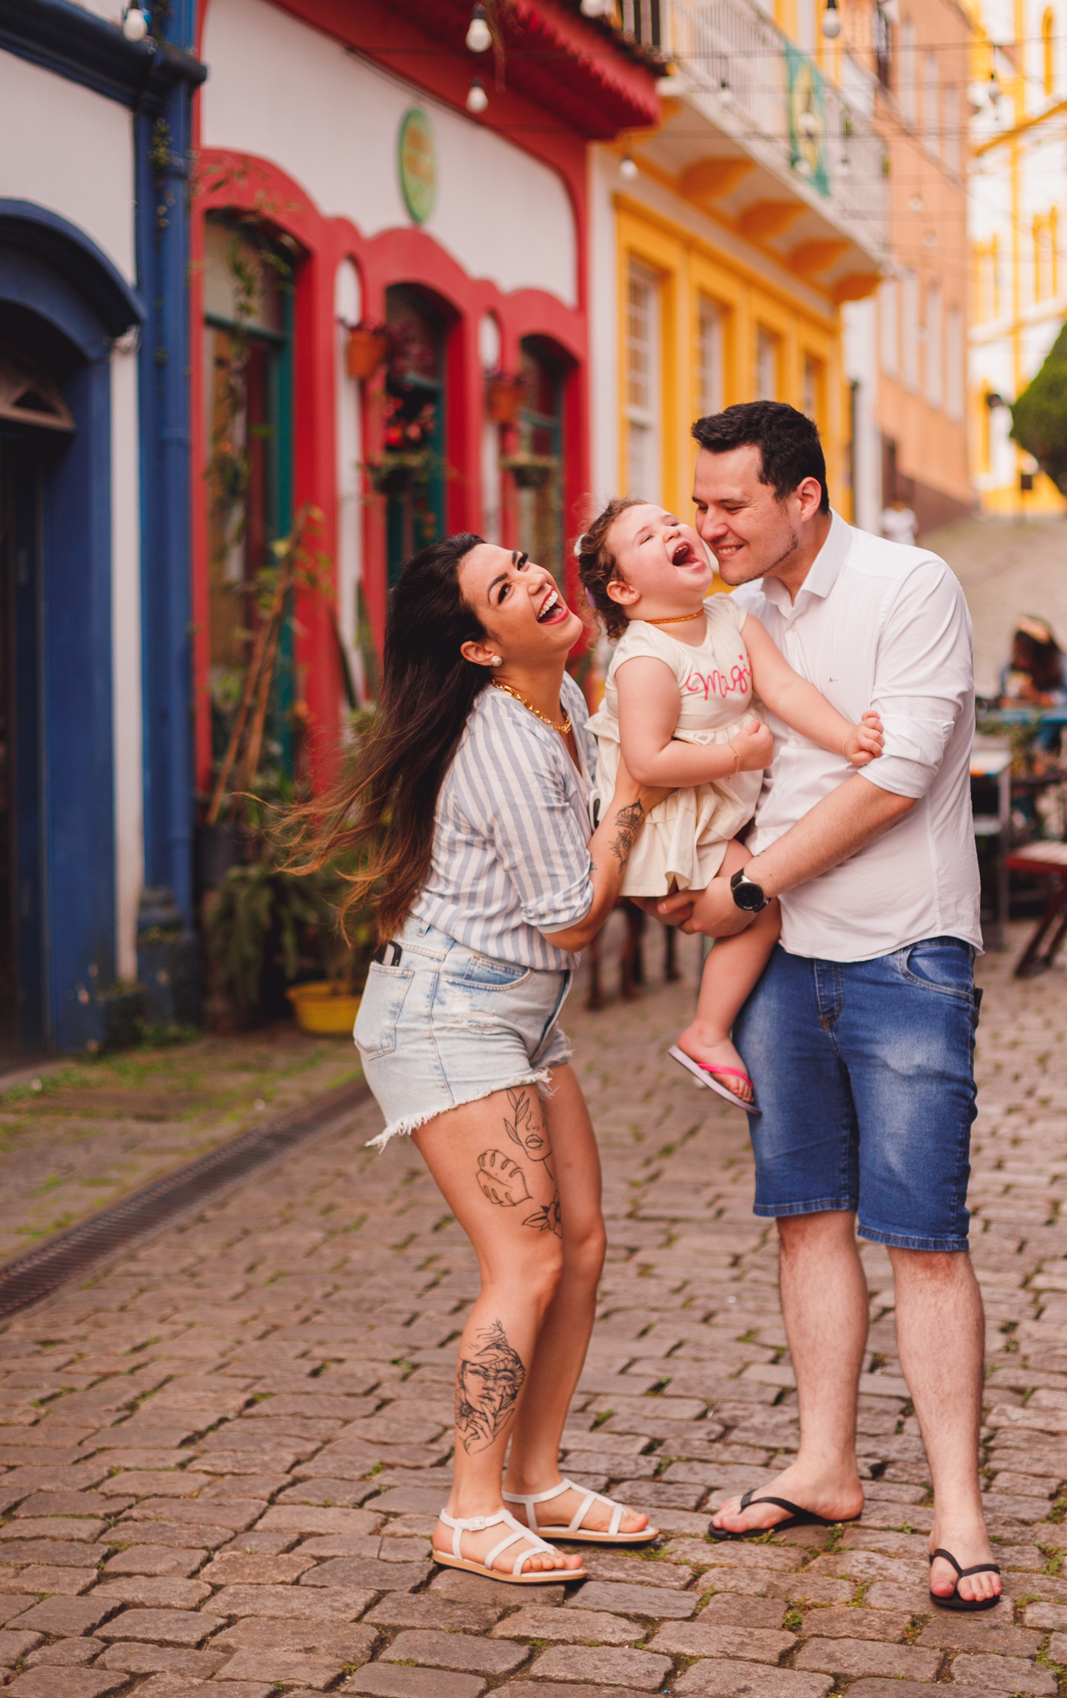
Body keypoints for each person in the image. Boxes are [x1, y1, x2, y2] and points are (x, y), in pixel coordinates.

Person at [654, 401, 1001, 1615]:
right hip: (783, 968)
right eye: (698, 504)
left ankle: (958, 1508)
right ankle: (826, 1465)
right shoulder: (738, 617)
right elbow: (743, 762)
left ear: (803, 496)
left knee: (925, 1238)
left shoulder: (912, 586)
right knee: (807, 1221)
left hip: (906, 955)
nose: (709, 526)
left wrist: (745, 882)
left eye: (731, 504)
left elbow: (894, 780)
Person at [289, 534, 666, 1588]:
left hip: (516, 1018)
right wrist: (636, 790)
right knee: (529, 1259)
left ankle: (536, 1482)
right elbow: (569, 918)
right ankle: (467, 1509)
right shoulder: (502, 741)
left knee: (582, 1244)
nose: (539, 580)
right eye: (506, 588)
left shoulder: (566, 705)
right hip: (447, 1018)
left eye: (527, 564)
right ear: (477, 647)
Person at [577, 499, 882, 1110]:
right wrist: (740, 759)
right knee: (761, 906)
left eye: (671, 522)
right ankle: (707, 1032)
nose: (674, 530)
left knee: (757, 901)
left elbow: (784, 687)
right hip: (668, 823)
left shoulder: (728, 616)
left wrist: (845, 737)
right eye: (648, 536)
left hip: (711, 814)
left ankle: (714, 1027)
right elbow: (647, 763)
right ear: (623, 589)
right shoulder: (644, 660)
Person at [999, 615, 1067, 710]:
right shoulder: (1008, 668)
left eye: (1025, 655)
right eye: (1016, 653)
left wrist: (1039, 698)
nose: (1020, 662)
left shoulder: (1063, 665)